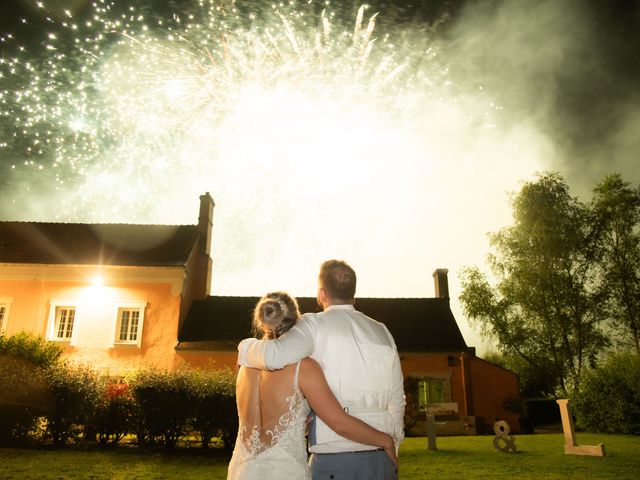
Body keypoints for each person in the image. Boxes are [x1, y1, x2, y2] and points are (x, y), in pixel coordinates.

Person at [238, 260, 405, 480]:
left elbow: (274, 356)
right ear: (353, 294)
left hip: (334, 459)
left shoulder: (313, 326)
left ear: (321, 294)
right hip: (381, 458)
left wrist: (244, 346)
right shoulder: (382, 331)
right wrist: (393, 443)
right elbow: (397, 400)